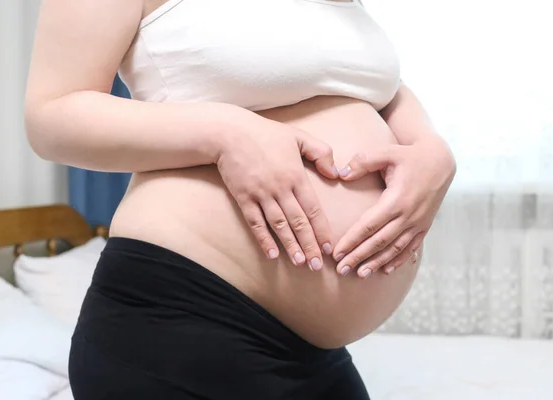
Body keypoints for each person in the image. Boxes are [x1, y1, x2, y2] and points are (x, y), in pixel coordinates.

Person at [24, 0, 456, 398]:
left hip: (306, 348)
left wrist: (429, 147)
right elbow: (51, 116)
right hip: (181, 321)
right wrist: (225, 133)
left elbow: (365, 80)